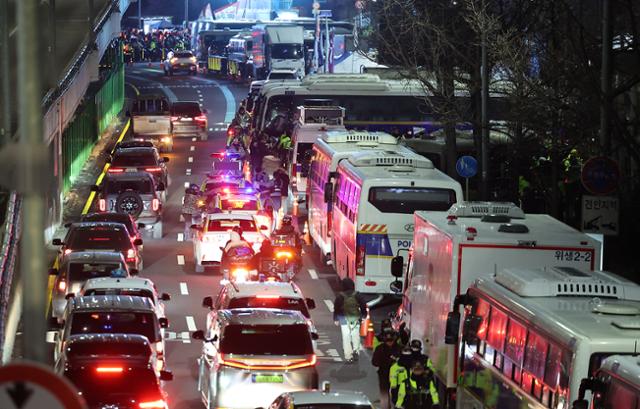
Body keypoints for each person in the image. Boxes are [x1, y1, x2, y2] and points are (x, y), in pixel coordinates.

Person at [333, 277, 367, 363]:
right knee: (355, 335)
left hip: (343, 319)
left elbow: (336, 308)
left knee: (346, 337)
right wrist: (363, 316)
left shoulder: (340, 296)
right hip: (355, 318)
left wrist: (335, 319)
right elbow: (363, 305)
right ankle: (356, 350)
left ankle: (348, 356)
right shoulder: (357, 295)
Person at [372, 331, 401, 409]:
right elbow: (374, 362)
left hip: (397, 375)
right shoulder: (380, 349)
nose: (389, 342)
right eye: (388, 341)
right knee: (384, 393)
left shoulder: (399, 349)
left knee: (398, 393)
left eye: (391, 340)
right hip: (384, 373)